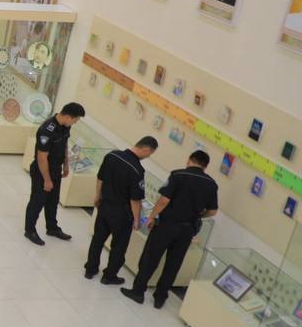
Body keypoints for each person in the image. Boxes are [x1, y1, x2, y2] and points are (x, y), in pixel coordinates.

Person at [121, 151, 219, 308]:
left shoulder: (177, 175)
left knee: (150, 258)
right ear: (205, 166)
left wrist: (152, 216)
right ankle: (160, 298)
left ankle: (138, 291)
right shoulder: (212, 184)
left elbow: (164, 200)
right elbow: (213, 211)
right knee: (173, 264)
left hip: (167, 225)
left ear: (190, 160)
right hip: (187, 230)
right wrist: (198, 215)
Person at [84, 136, 158, 285]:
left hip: (104, 206)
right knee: (118, 246)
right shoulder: (137, 170)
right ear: (146, 149)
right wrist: (137, 219)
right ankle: (109, 276)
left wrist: (97, 196)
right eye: (150, 154)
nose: (148, 157)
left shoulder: (112, 155)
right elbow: (135, 199)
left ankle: (90, 269)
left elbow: (100, 178)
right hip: (122, 214)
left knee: (98, 239)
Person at [23, 102, 84, 245]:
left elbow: (65, 144)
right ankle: (29, 230)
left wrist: (66, 164)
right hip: (42, 172)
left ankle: (52, 228)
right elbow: (41, 158)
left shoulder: (65, 126)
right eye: (75, 120)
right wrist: (47, 180)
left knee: (53, 201)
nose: (75, 123)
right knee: (37, 201)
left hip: (56, 170)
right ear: (68, 116)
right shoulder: (47, 130)